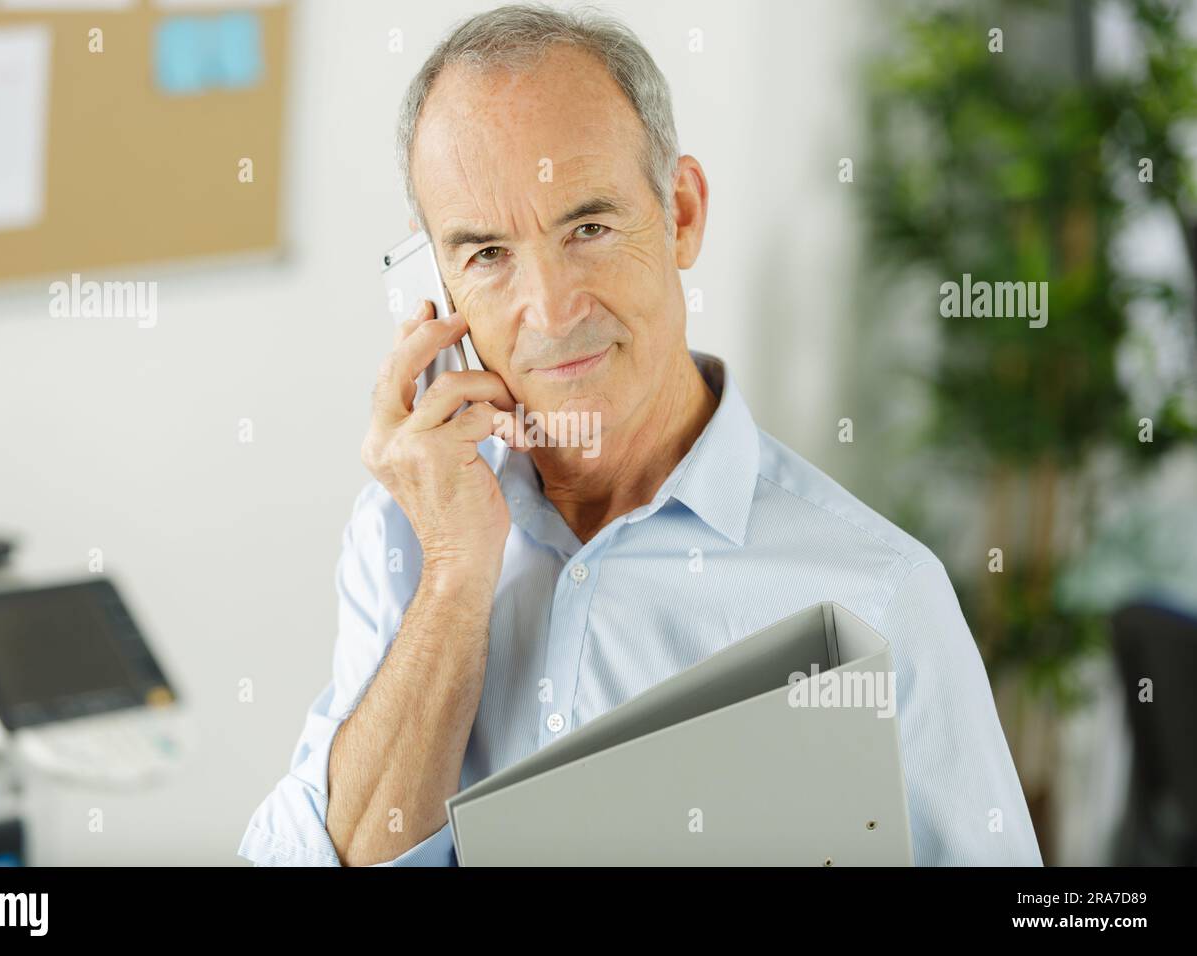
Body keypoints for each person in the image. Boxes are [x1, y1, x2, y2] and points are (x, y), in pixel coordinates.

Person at [239, 3, 1043, 867]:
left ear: (682, 214)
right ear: (433, 286)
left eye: (587, 228)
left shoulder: (881, 597)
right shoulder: (404, 534)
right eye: (486, 254)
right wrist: (455, 578)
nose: (550, 310)